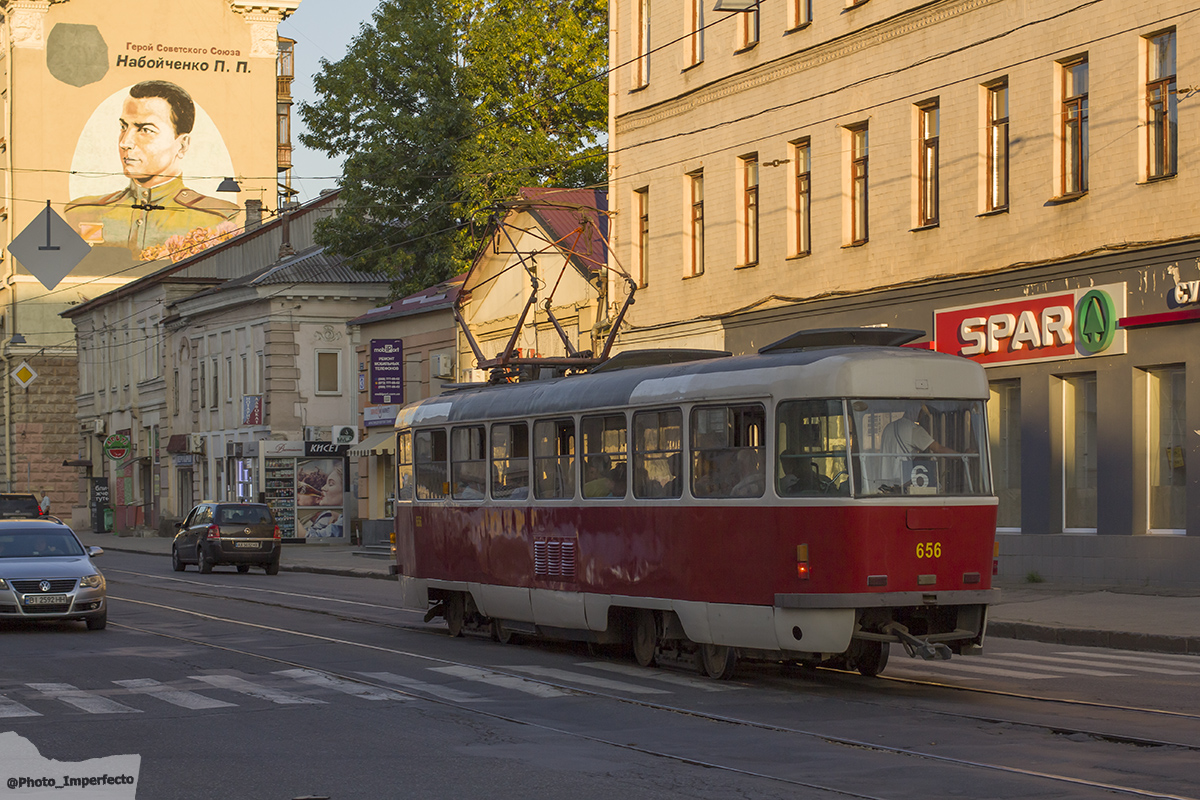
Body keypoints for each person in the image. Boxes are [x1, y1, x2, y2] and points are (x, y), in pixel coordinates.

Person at [65, 80, 240, 257]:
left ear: (182, 145)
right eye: (123, 127)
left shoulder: (220, 219)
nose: (125, 142)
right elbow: (47, 275)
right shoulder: (81, 212)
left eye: (145, 130)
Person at [879, 404, 954, 489]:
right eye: (923, 416)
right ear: (917, 413)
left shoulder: (888, 427)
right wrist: (961, 456)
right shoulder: (914, 430)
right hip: (903, 481)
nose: (922, 419)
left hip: (886, 482)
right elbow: (938, 449)